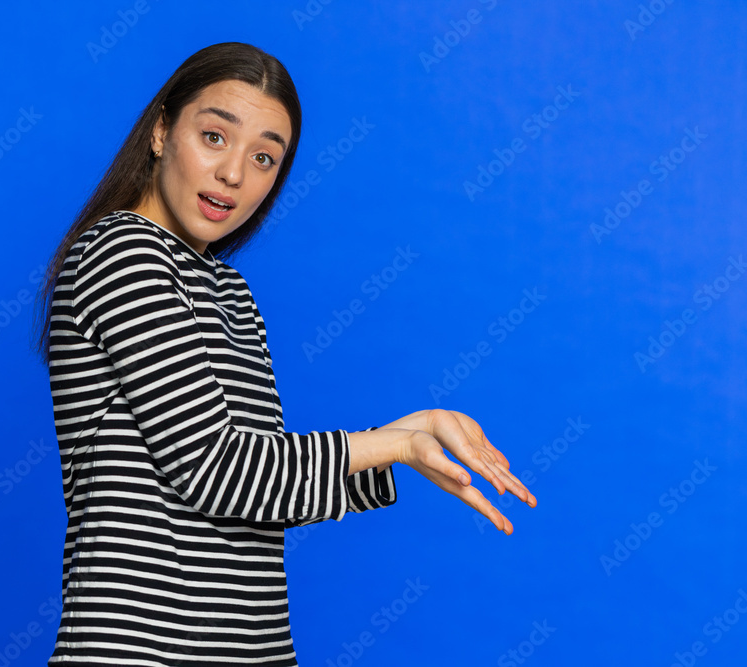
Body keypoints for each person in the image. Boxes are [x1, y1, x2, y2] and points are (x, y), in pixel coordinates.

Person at [31, 41, 537, 666]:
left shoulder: (228, 291)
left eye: (265, 157)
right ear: (161, 131)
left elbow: (256, 491)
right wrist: (394, 445)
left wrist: (399, 443)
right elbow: (217, 470)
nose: (235, 174)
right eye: (215, 137)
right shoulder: (122, 255)